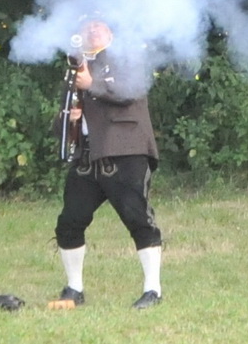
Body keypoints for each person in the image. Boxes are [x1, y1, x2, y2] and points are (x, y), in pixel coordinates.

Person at [52, 16, 164, 310]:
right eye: (86, 25)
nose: (91, 29)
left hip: (126, 151)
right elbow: (62, 121)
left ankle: (153, 289)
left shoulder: (129, 55)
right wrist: (69, 119)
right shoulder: (75, 66)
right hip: (87, 157)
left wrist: (93, 83)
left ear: (111, 31)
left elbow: (129, 91)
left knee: (138, 219)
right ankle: (74, 288)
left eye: (98, 24)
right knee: (69, 222)